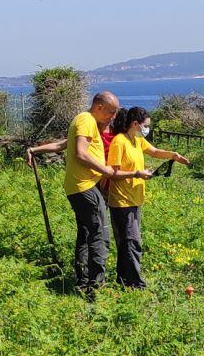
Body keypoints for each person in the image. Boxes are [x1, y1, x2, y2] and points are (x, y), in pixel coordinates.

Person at [26, 92, 147, 297]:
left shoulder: (94, 124)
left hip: (89, 186)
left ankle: (84, 280)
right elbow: (78, 151)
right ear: (99, 107)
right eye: (111, 112)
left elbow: (64, 144)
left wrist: (35, 150)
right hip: (87, 186)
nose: (113, 116)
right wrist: (106, 170)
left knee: (88, 232)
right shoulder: (86, 120)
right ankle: (94, 287)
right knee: (100, 234)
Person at [106, 106, 190, 289]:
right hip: (122, 201)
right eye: (145, 126)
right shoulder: (119, 142)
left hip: (135, 199)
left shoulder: (136, 140)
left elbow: (154, 151)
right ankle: (136, 285)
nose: (147, 129)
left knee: (126, 243)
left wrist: (173, 156)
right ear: (135, 124)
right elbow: (112, 173)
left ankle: (123, 281)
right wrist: (137, 173)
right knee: (132, 242)